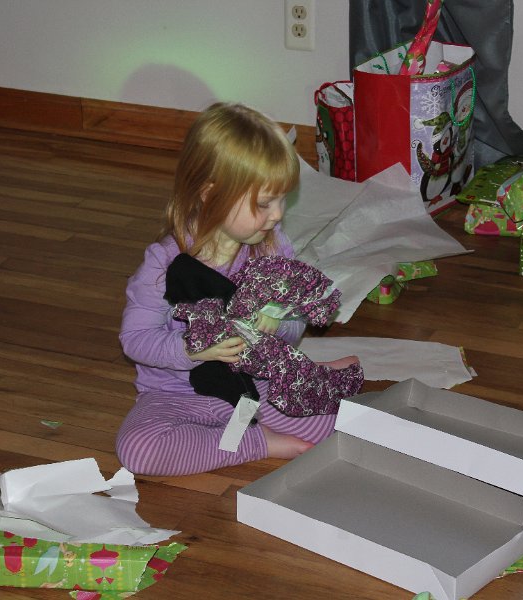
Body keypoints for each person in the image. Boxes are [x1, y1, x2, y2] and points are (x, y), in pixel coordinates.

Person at [116, 102, 358, 477]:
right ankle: (258, 441)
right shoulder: (163, 265)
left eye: (282, 199)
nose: (278, 214)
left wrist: (278, 323)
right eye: (264, 203)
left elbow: (294, 322)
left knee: (331, 422)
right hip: (177, 396)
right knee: (140, 451)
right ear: (211, 194)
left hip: (255, 385)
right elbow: (135, 340)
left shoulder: (272, 247)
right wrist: (192, 349)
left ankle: (297, 388)